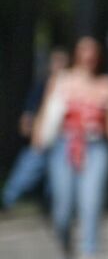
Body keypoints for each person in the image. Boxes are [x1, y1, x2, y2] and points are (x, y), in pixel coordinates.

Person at [35, 37, 108, 259]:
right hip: (64, 146)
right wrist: (37, 137)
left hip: (96, 148)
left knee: (90, 204)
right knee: (62, 209)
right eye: (84, 50)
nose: (88, 56)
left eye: (93, 51)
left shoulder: (107, 85)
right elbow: (45, 116)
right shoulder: (61, 81)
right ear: (76, 54)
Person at [2, 47, 67, 209]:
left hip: (63, 140)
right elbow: (29, 111)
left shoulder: (72, 86)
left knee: (57, 177)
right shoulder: (42, 86)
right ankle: (6, 200)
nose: (58, 66)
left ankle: (51, 205)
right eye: (56, 62)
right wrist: (29, 126)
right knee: (26, 170)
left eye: (62, 62)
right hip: (43, 136)